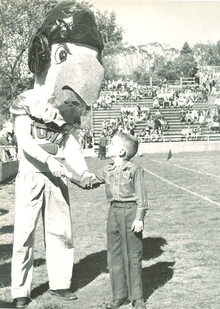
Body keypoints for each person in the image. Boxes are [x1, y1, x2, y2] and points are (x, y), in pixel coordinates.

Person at [9, 2, 104, 308]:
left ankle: (60, 282)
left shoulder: (67, 109)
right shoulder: (25, 102)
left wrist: (85, 171)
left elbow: (70, 146)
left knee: (61, 231)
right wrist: (53, 163)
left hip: (58, 177)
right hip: (32, 175)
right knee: (23, 234)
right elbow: (26, 143)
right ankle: (19, 290)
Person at [95, 132, 148, 309]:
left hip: (130, 213)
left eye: (111, 143)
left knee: (133, 254)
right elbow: (89, 181)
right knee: (114, 255)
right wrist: (67, 174)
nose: (107, 145)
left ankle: (137, 297)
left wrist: (139, 218)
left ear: (122, 152)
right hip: (113, 213)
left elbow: (142, 197)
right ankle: (119, 296)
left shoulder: (134, 169)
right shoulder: (106, 170)